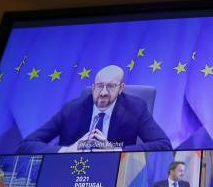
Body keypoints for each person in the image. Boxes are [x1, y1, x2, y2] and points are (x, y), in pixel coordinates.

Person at [17, 65, 172, 154]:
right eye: (99, 86)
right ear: (93, 87)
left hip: (114, 173)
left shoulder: (135, 108)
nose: (103, 92)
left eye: (111, 86)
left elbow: (163, 145)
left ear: (121, 88)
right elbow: (26, 144)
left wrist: (115, 151)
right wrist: (67, 151)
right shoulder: (72, 109)